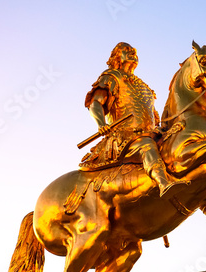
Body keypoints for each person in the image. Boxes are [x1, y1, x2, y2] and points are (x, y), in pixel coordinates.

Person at [80, 42, 187, 196]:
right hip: (124, 138)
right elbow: (95, 103)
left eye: (134, 51)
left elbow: (154, 117)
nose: (132, 53)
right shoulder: (111, 76)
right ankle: (164, 184)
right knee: (146, 146)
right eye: (127, 51)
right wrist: (101, 124)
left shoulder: (144, 86)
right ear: (117, 56)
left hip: (150, 133)